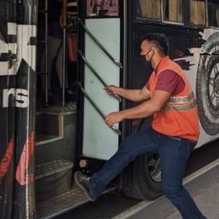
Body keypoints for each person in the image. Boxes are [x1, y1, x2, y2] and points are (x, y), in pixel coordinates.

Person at [73, 33, 206, 218]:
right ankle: (94, 186)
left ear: (152, 51)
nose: (141, 54)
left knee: (172, 190)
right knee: (128, 146)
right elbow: (141, 95)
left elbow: (154, 105)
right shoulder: (158, 71)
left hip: (179, 137)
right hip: (161, 131)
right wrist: (117, 90)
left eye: (143, 51)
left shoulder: (169, 71)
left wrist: (121, 115)